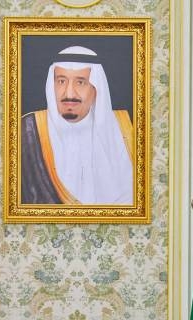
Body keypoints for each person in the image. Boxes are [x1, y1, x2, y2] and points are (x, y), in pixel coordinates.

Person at [20, 45, 134, 205]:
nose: (69, 94)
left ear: (96, 88)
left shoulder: (128, 131)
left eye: (80, 82)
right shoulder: (26, 132)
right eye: (61, 81)